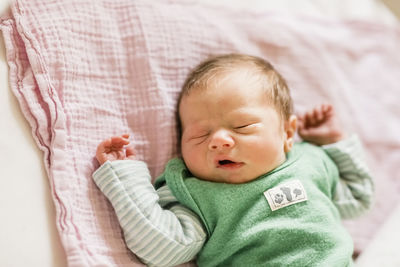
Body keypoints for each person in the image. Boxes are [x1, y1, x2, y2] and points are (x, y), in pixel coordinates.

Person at [93, 54, 373, 266]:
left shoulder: (312, 161)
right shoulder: (198, 195)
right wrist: (125, 179)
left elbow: (358, 198)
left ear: (288, 133)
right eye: (200, 135)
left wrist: (334, 143)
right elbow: (163, 247)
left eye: (242, 127)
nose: (218, 141)